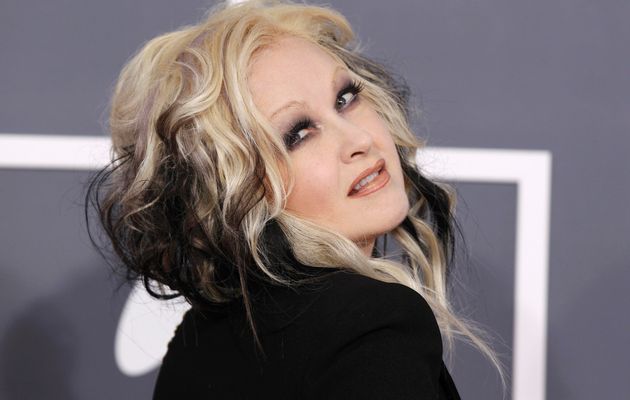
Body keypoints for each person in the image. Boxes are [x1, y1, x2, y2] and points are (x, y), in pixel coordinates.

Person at [87, 1, 501, 398]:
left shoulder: (196, 342)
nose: (358, 140)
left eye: (345, 99)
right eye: (298, 135)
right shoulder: (371, 324)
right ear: (234, 191)